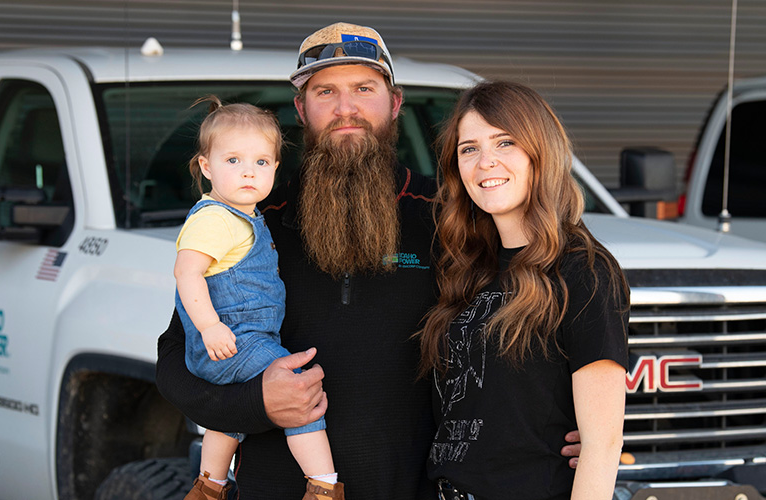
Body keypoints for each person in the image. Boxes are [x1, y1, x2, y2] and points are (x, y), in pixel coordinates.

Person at [156, 23, 583, 500]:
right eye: (325, 91)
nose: (346, 109)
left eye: (364, 88)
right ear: (301, 109)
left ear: (394, 102)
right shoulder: (252, 222)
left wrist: (572, 422)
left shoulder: (451, 214)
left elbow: (529, 311)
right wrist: (255, 403)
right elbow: (175, 358)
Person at [417, 80, 629, 500]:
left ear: (540, 153)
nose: (485, 163)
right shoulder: (467, 268)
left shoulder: (583, 270)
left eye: (505, 142)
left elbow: (602, 446)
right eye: (469, 148)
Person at [173, 98, 340, 500]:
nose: (249, 171)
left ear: (276, 168)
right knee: (299, 391)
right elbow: (186, 272)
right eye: (233, 160)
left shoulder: (242, 215)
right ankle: (323, 485)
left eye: (261, 162)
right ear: (206, 166)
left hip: (240, 341)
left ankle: (209, 485)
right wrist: (211, 327)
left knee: (228, 420)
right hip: (233, 339)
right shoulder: (214, 218)